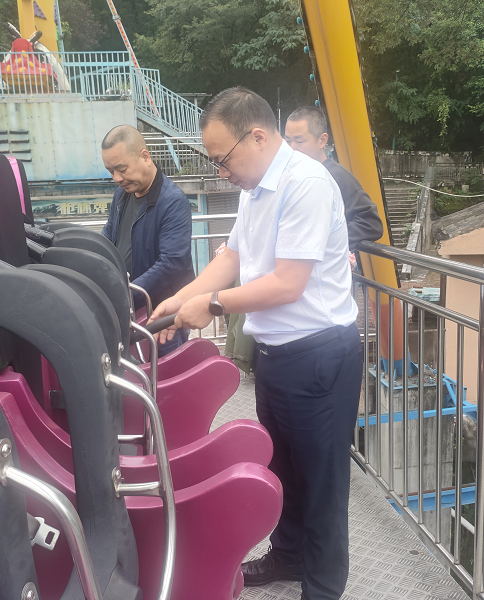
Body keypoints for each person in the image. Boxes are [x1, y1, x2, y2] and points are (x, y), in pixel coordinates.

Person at [148, 88, 363, 600]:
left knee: (322, 481)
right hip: (275, 356)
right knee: (282, 466)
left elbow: (288, 284)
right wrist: (178, 299)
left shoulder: (306, 184)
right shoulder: (254, 188)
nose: (222, 172)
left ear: (258, 137)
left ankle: (323, 587)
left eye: (223, 158)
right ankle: (288, 556)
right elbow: (233, 257)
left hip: (319, 355)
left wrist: (212, 305)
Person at [101, 125, 195, 356]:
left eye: (122, 169)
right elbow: (107, 242)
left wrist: (125, 295)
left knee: (164, 374)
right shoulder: (121, 195)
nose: (117, 178)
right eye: (111, 171)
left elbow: (172, 263)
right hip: (129, 312)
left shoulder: (173, 201)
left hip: (161, 316)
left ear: (145, 156)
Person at [284, 106, 384, 251]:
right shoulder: (288, 176)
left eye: (299, 141)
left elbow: (371, 224)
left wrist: (326, 240)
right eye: (288, 141)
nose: (292, 148)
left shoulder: (338, 177)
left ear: (322, 140)